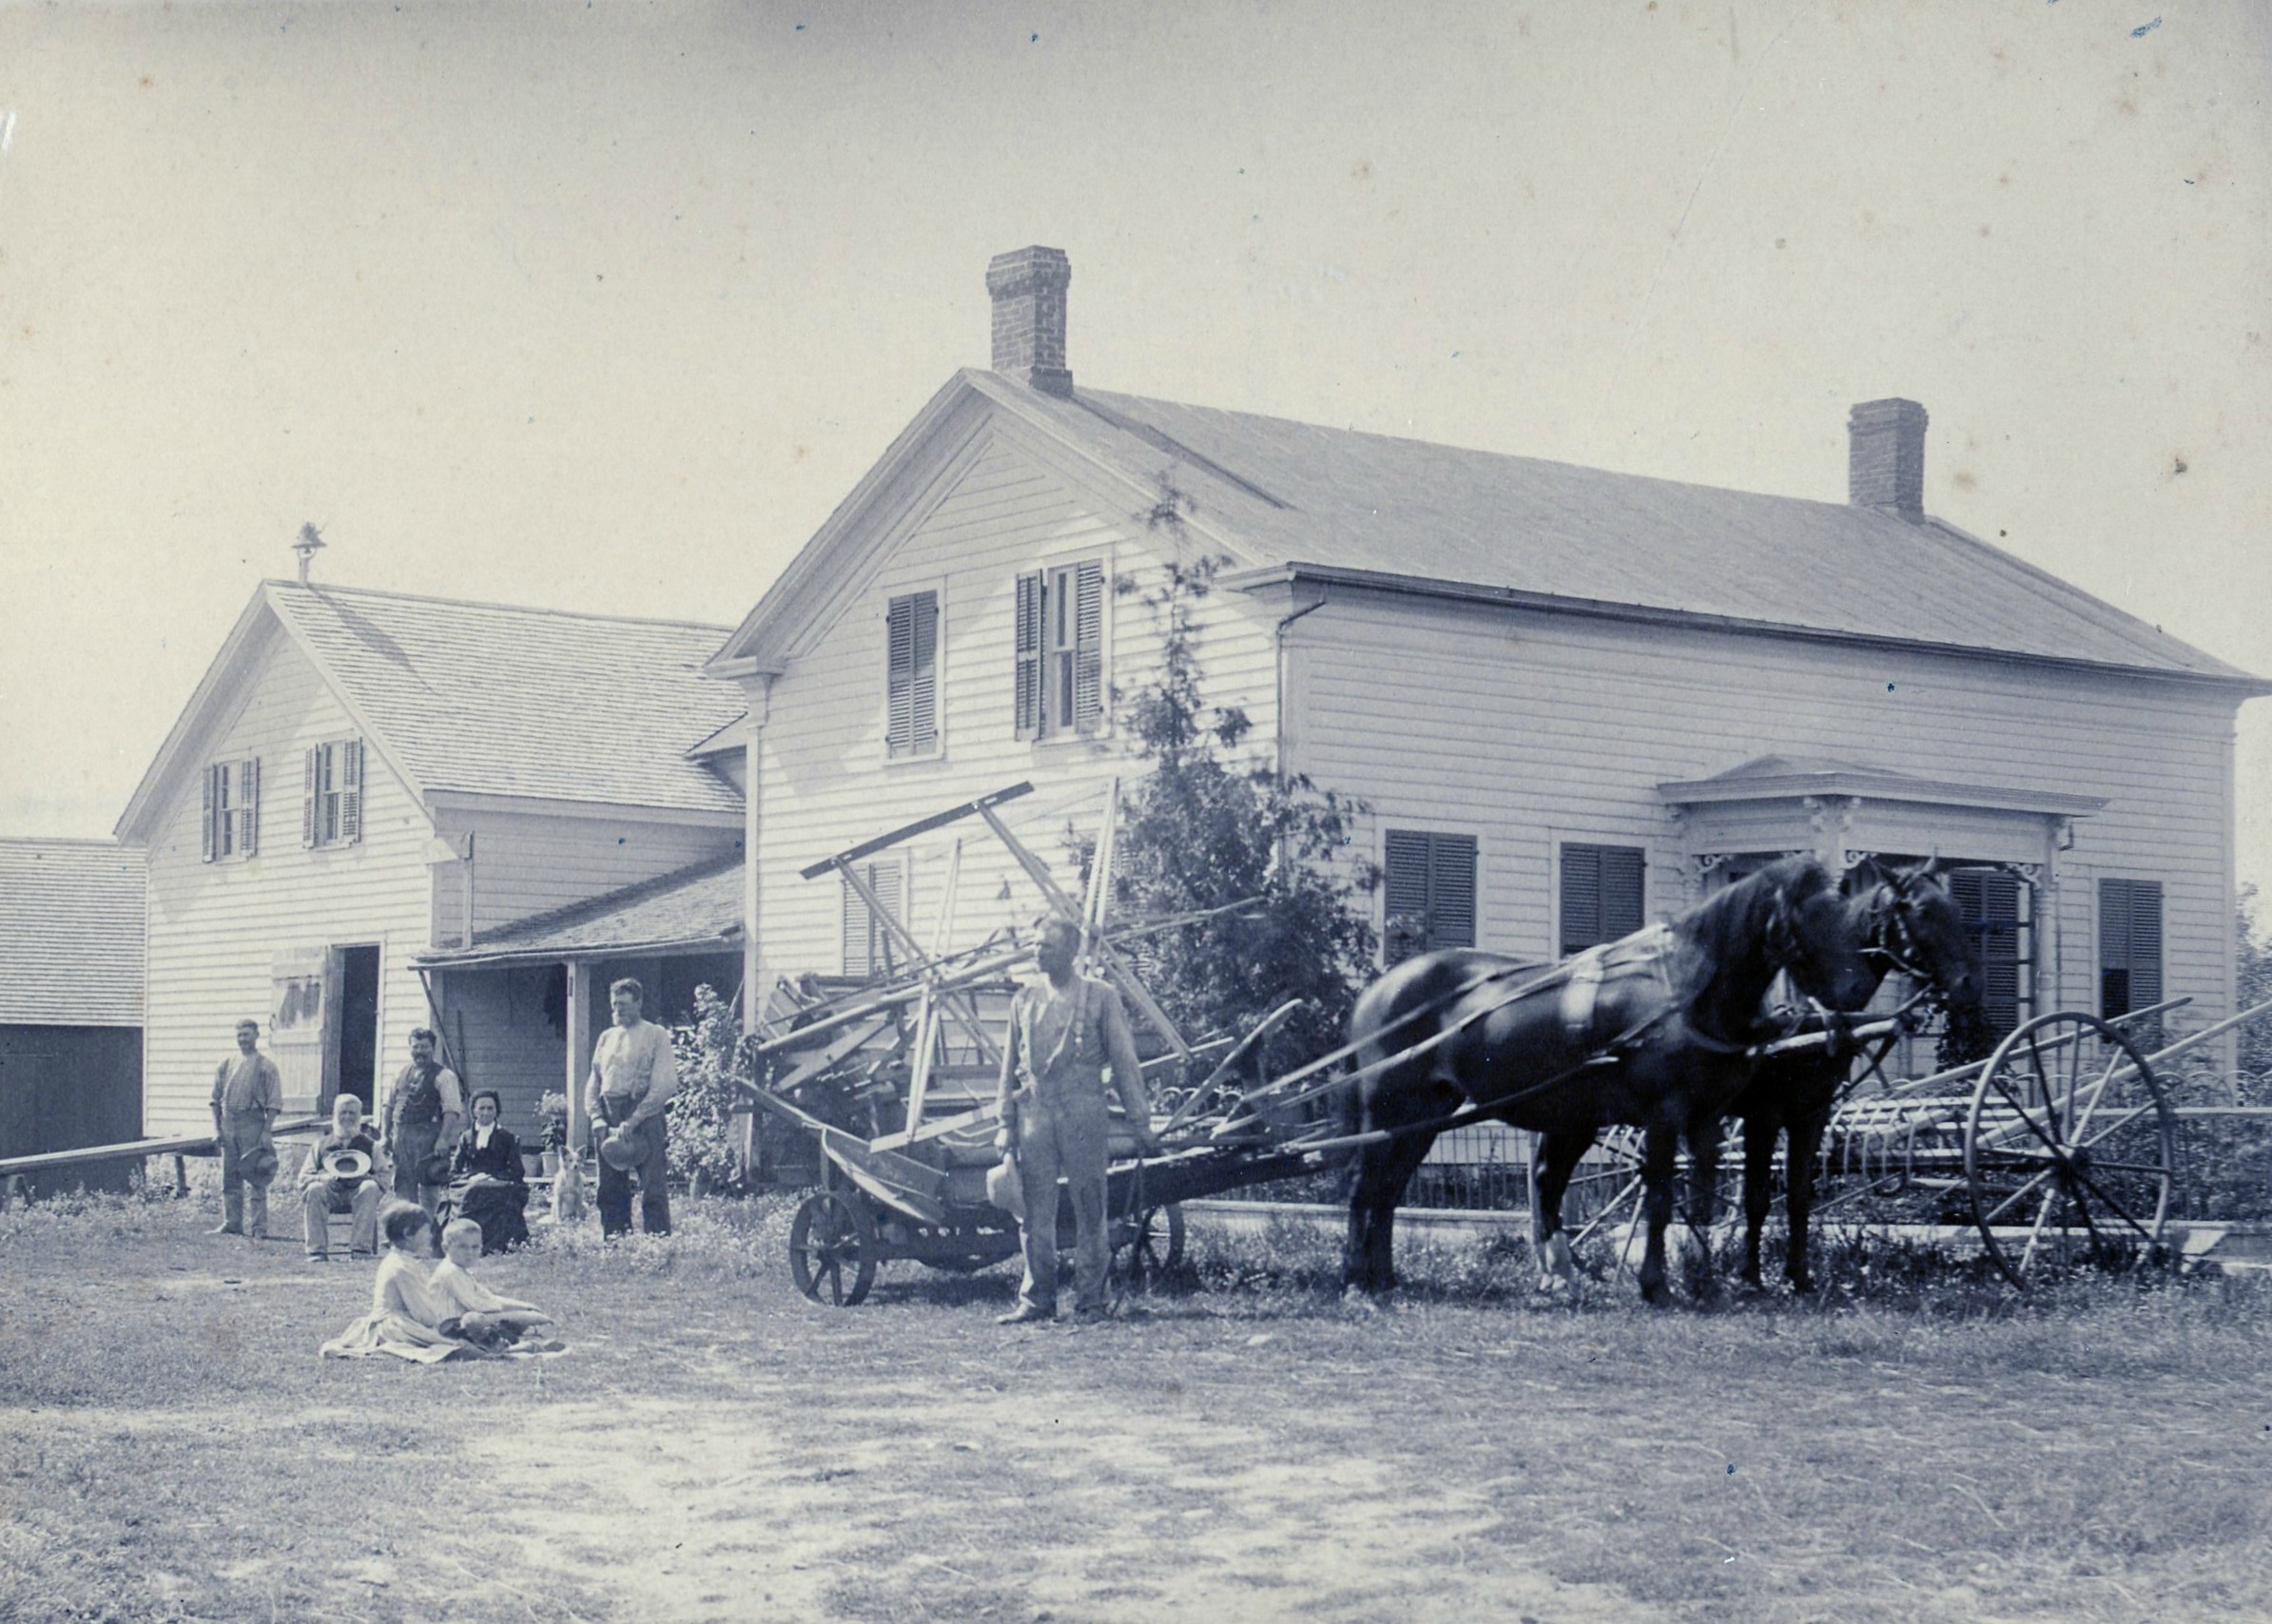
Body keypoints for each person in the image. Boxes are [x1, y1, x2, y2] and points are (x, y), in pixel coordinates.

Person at [992, 918, 1160, 1325]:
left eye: (1047, 946)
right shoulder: (1024, 1000)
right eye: (1035, 945)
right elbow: (1009, 1065)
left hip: (1084, 1113)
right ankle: (1037, 1300)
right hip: (1035, 1113)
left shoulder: (1101, 997)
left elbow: (1124, 1062)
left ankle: (1091, 1302)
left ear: (1072, 952)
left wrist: (1140, 1121)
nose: (1038, 952)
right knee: (1035, 1213)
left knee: (1090, 1209)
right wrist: (1005, 1122)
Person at [319, 1202, 488, 1363]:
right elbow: (424, 1314)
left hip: (404, 1320)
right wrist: (443, 1326)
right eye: (426, 1231)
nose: (430, 1236)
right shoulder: (401, 1267)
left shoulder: (404, 1260)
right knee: (453, 1347)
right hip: (394, 1326)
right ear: (408, 1233)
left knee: (458, 1338)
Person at [584, 977, 677, 1239]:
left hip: (644, 1114)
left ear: (639, 1003)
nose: (618, 1010)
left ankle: (656, 1241)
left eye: (624, 1004)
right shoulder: (606, 1037)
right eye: (614, 1005)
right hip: (608, 1112)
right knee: (609, 1185)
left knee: (652, 1183)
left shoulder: (655, 1034)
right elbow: (594, 1080)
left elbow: (664, 1084)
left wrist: (634, 1120)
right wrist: (596, 1117)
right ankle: (615, 1239)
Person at [430, 1218, 560, 1351]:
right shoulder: (450, 1272)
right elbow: (479, 1305)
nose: (470, 1253)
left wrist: (525, 1307)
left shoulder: (461, 1270)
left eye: (475, 1247)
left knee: (502, 1321)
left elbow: (489, 1297)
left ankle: (508, 1342)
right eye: (462, 1247)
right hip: (451, 1329)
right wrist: (520, 1315)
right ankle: (513, 1349)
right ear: (446, 1248)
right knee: (476, 1321)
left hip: (465, 1324)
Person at [209, 1018, 283, 1240]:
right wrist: (217, 1129)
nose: (243, 1039)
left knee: (256, 1175)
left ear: (256, 1036)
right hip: (229, 1122)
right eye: (239, 1035)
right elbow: (214, 1100)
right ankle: (232, 1222)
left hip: (253, 1123)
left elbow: (274, 1102)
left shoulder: (266, 1066)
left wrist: (267, 1131)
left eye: (247, 1035)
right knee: (230, 1177)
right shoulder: (226, 1064)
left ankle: (259, 1227)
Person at [380, 1028, 463, 1216]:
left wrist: (443, 1139)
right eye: (415, 1046)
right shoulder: (400, 1073)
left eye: (425, 1046)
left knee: (429, 1184)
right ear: (410, 1048)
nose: (420, 1051)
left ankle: (429, 1229)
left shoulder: (444, 1076)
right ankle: (406, 1229)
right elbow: (389, 1106)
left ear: (432, 1048)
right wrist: (385, 1135)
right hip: (401, 1137)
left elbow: (451, 1111)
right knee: (402, 1184)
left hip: (429, 1137)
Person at [299, 1093, 383, 1260]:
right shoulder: (320, 1145)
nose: (347, 1117)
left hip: (358, 1195)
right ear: (335, 1115)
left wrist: (367, 1179)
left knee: (370, 1188)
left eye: (352, 1113)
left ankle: (361, 1250)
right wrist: (322, 1178)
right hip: (330, 1193)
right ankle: (317, 1250)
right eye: (342, 1112)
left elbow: (385, 1179)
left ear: (359, 1116)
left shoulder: (372, 1146)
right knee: (314, 1189)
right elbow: (302, 1178)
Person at [447, 1090, 530, 1253]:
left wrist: (494, 1178)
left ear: (496, 1111)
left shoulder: (507, 1137)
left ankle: (497, 1244)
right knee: (471, 1192)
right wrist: (471, 1178)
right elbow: (454, 1170)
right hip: (471, 1181)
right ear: (474, 1111)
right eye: (481, 1108)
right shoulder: (466, 1137)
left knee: (495, 1193)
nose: (486, 1113)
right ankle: (464, 1242)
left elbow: (517, 1171)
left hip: (499, 1181)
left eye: (490, 1108)